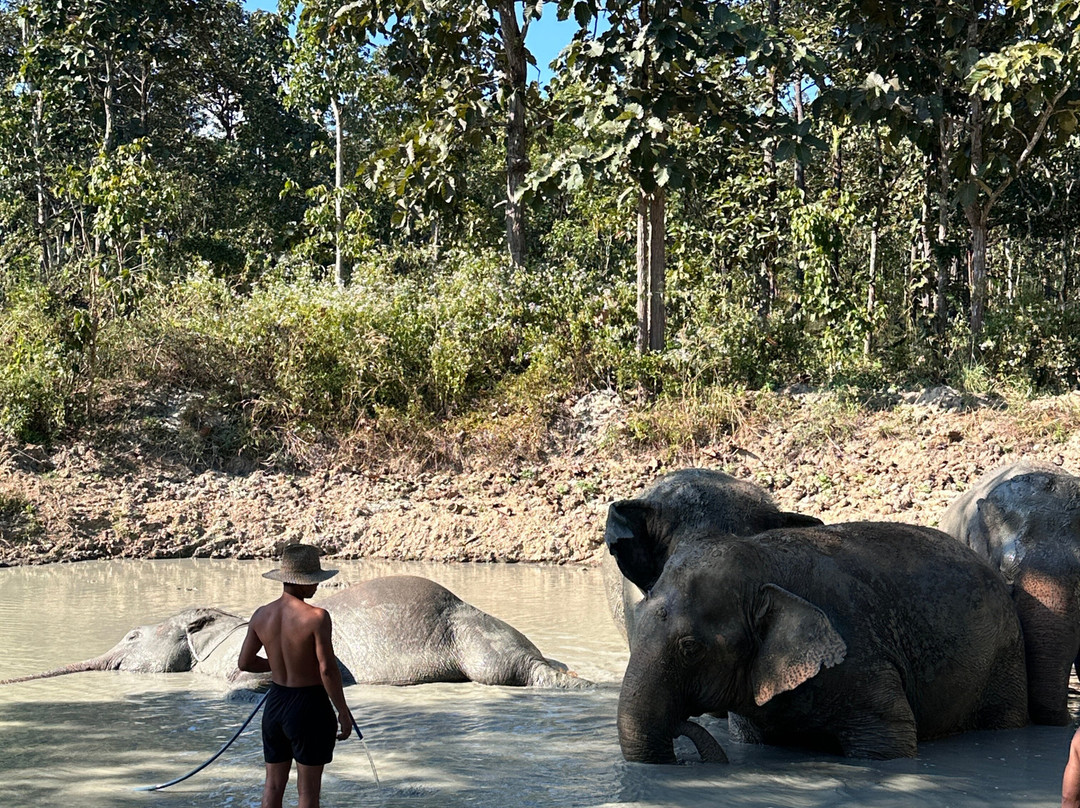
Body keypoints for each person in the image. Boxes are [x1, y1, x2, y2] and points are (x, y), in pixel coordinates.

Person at [238, 543, 354, 808]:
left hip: (275, 706)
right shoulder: (316, 617)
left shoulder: (261, 614)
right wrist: (343, 711)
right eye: (313, 580)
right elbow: (327, 669)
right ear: (301, 583)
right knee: (308, 793)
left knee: (273, 786)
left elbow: (244, 663)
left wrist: (279, 664)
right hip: (309, 707)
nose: (317, 586)